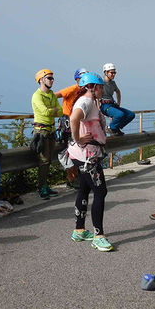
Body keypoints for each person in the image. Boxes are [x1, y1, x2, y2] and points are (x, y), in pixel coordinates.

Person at [67, 72, 113, 251]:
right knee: (101, 192)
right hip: (87, 157)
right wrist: (78, 138)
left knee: (85, 189)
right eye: (100, 87)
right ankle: (98, 235)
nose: (102, 90)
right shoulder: (85, 102)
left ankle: (79, 230)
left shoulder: (91, 102)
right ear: (93, 88)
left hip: (83, 155)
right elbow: (74, 118)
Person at [31, 68, 63, 199]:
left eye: (52, 78)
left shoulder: (51, 95)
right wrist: (53, 110)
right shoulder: (37, 95)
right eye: (49, 78)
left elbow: (60, 112)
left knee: (48, 160)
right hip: (41, 131)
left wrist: (52, 110)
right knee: (44, 161)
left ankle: (45, 186)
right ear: (41, 80)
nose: (52, 80)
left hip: (50, 130)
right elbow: (44, 112)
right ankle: (42, 188)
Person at [55, 68, 87, 189]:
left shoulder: (84, 92)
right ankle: (72, 179)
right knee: (70, 150)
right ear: (77, 79)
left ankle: (77, 178)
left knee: (78, 150)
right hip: (67, 122)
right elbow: (55, 95)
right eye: (83, 78)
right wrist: (58, 110)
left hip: (77, 121)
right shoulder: (72, 89)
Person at [99, 63, 135, 136]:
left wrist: (118, 103)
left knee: (131, 114)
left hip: (112, 104)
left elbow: (118, 91)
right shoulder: (100, 83)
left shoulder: (113, 83)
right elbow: (95, 96)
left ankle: (116, 128)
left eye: (114, 73)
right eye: (111, 72)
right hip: (105, 106)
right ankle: (111, 127)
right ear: (105, 72)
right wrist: (97, 107)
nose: (113, 74)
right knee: (119, 114)